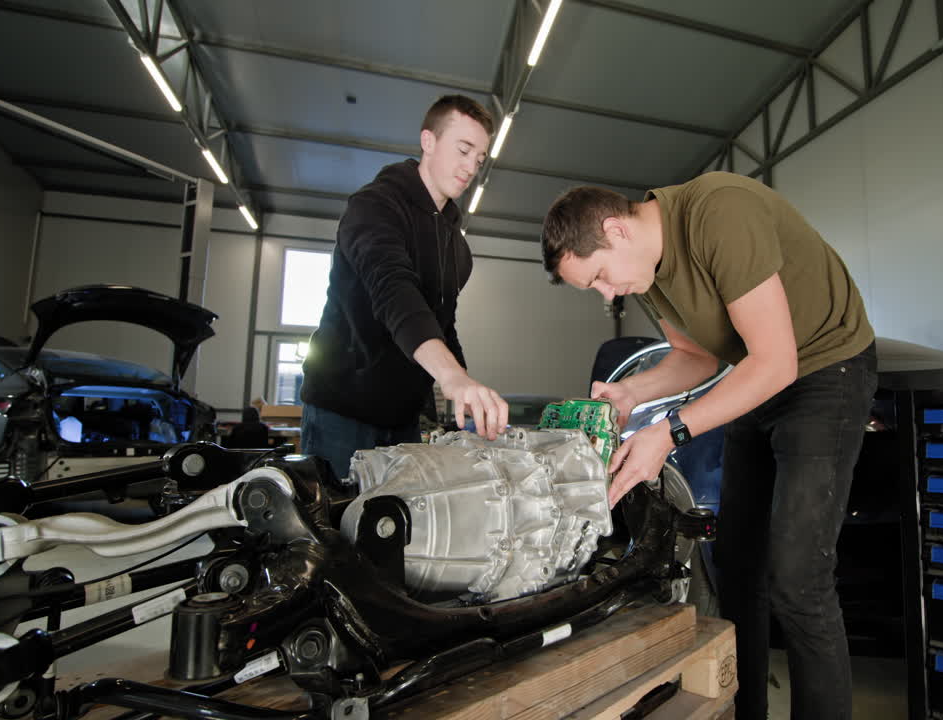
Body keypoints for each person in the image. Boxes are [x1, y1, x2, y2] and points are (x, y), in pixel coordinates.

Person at [541, 173, 876, 720]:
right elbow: (697, 359)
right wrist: (631, 391)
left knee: (797, 578)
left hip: (825, 370)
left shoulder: (721, 214)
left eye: (600, 276)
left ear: (615, 229)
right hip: (759, 376)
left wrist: (669, 432)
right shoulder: (649, 273)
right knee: (738, 567)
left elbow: (778, 361)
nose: (607, 295)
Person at [300, 95, 509, 478]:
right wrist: (452, 377)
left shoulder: (456, 248)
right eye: (463, 150)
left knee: (397, 531)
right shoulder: (374, 207)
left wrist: (464, 389)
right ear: (428, 141)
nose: (470, 168)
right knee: (334, 528)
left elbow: (442, 326)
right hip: (343, 412)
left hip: (404, 421)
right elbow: (394, 291)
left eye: (479, 160)